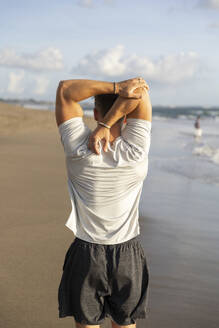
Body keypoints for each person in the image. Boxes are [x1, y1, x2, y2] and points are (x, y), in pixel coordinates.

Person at [56, 77, 152, 328]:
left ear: (94, 111)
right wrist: (107, 123)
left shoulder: (78, 149)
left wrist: (115, 90)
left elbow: (66, 90)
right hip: (127, 255)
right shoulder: (136, 152)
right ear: (127, 118)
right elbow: (141, 91)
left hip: (87, 253)